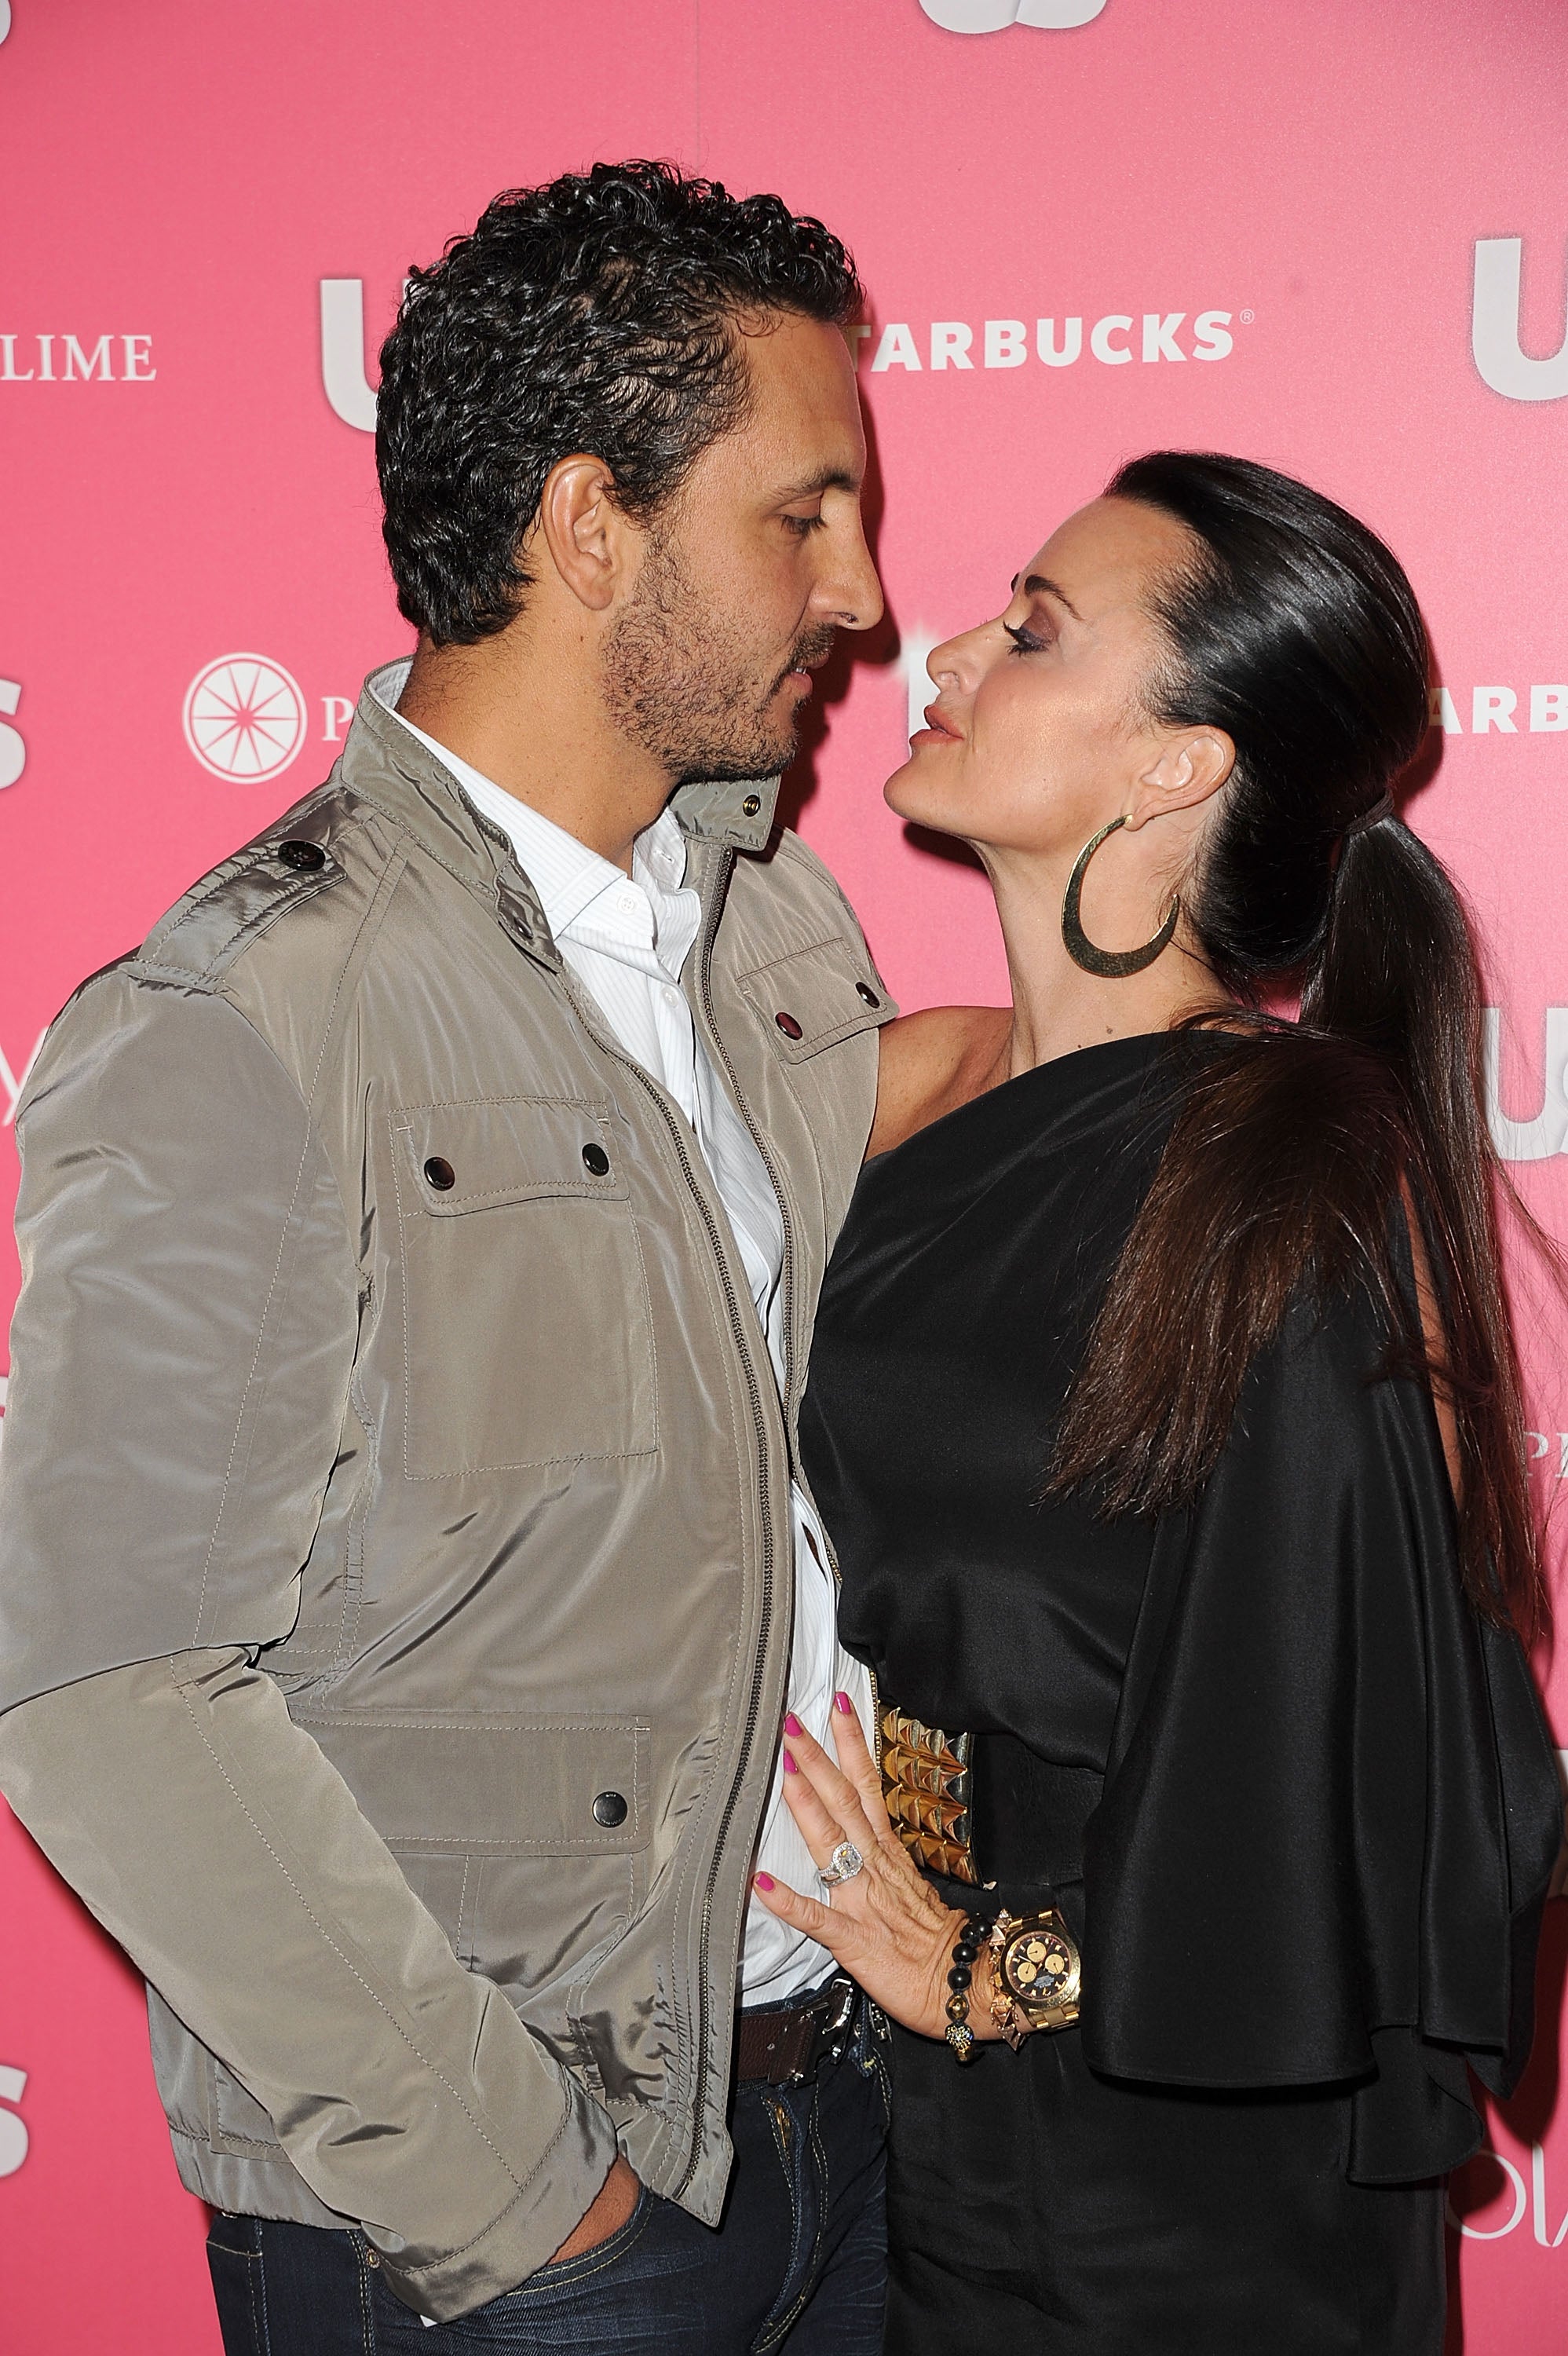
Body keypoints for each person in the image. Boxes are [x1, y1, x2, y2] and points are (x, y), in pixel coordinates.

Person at [0, 162, 896, 2353]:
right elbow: (100, 1676)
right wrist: (530, 2207)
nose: (863, 595)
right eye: (802, 513)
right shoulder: (250, 1008)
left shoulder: (774, 929)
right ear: (589, 531)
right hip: (505, 2244)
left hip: (845, 2138)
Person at [751, 452, 1563, 2353]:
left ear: (1179, 767)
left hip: (1188, 2167)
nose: (942, 647)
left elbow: (1393, 1785)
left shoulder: (1291, 1183)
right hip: (906, 2126)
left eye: (1033, 631)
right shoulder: (897, 1087)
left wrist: (989, 1969)